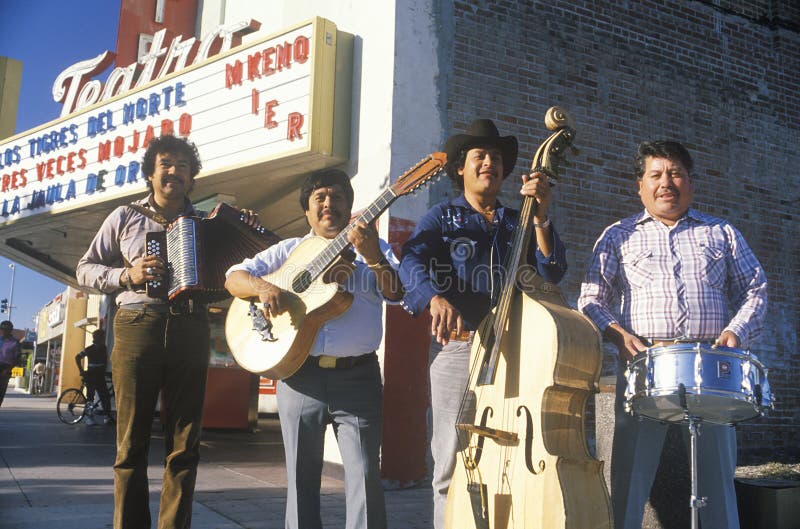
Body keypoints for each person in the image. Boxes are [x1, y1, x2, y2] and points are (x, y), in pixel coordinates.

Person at [578, 140, 768, 529]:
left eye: (676, 173)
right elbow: (591, 297)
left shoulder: (721, 232)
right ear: (640, 186)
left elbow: (756, 288)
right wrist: (616, 334)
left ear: (691, 183)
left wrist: (736, 331)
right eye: (656, 175)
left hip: (711, 366)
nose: (667, 182)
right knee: (628, 480)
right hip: (643, 364)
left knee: (717, 483)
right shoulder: (618, 235)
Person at [398, 119, 568, 529]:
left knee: (511, 456)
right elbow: (410, 261)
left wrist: (542, 218)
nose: (488, 162)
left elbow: (554, 269)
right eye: (479, 156)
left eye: (495, 157)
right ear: (461, 168)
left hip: (515, 351)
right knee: (449, 462)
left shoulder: (520, 218)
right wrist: (434, 298)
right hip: (459, 348)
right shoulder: (443, 217)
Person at [76, 134, 252, 529]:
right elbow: (85, 268)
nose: (175, 172)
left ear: (192, 178)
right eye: (166, 165)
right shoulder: (124, 216)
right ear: (151, 174)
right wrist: (126, 274)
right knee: (131, 443)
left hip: (191, 325)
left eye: (183, 166)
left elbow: (237, 270)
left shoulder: (208, 224)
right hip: (139, 324)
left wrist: (249, 234)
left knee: (185, 443)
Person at [225, 168, 403, 529]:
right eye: (319, 197)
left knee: (366, 477)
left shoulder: (374, 247)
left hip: (358, 378)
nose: (328, 204)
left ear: (349, 207)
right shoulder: (290, 250)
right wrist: (262, 288)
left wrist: (372, 256)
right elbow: (233, 276)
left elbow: (397, 294)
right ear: (306, 211)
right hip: (298, 375)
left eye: (337, 197)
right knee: (300, 479)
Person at [75, 329, 112, 425]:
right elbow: (77, 357)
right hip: (92, 375)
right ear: (97, 338)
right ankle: (90, 418)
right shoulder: (90, 349)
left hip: (99, 375)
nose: (103, 339)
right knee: (91, 397)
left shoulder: (103, 348)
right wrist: (81, 371)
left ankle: (106, 417)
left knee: (104, 396)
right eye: (102, 337)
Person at [0, 320, 23, 407]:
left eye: (6, 329)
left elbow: (17, 358)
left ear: (10, 330)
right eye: (2, 329)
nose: (3, 331)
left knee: (1, 391)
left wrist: (9, 369)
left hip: (6, 369)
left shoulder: (15, 343)